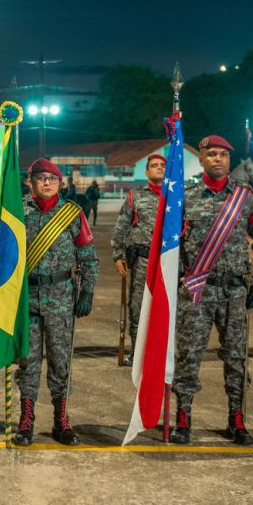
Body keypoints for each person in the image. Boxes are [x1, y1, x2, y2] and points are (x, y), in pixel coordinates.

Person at [171, 135, 253, 446]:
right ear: (200, 159)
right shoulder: (185, 197)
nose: (217, 158)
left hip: (234, 291)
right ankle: (183, 416)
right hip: (197, 289)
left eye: (223, 155)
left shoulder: (246, 197)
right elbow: (169, 246)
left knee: (236, 357)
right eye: (211, 154)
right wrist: (176, 279)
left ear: (229, 160)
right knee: (189, 355)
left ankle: (236, 418)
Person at [13, 158, 98, 447]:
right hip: (27, 298)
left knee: (61, 362)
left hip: (62, 297)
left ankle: (61, 420)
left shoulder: (72, 213)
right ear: (30, 181)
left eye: (52, 178)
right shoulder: (17, 211)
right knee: (28, 362)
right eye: (41, 178)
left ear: (60, 183)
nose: (47, 183)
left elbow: (87, 254)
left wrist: (87, 290)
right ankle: (26, 421)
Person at [110, 153, 165, 366]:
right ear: (147, 172)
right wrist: (117, 255)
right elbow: (121, 227)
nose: (158, 168)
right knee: (138, 306)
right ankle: (138, 351)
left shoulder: (178, 196)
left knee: (167, 308)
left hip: (170, 263)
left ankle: (163, 351)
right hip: (143, 261)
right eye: (154, 165)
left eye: (162, 165)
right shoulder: (136, 196)